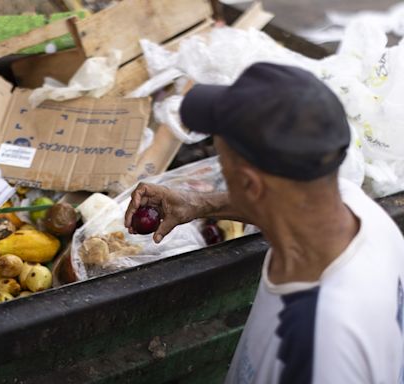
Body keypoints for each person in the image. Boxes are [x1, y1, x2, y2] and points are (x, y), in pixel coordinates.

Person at [124, 63, 404, 384]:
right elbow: (279, 204)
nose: (221, 171)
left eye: (222, 162)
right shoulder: (356, 210)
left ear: (251, 185)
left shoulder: (319, 348)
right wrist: (197, 203)